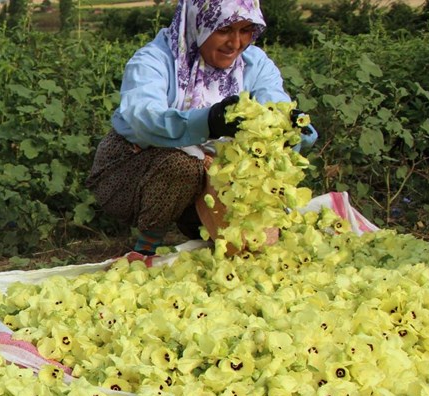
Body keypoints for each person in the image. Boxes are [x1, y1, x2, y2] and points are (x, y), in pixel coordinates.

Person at [86, 0, 317, 256]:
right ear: (199, 24)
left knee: (250, 216)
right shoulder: (155, 60)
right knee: (182, 165)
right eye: (224, 30)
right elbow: (142, 118)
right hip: (131, 168)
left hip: (209, 172)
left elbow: (274, 103)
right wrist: (208, 121)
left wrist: (288, 126)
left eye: (245, 30)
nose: (236, 43)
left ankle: (200, 226)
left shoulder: (254, 63)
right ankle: (147, 245)